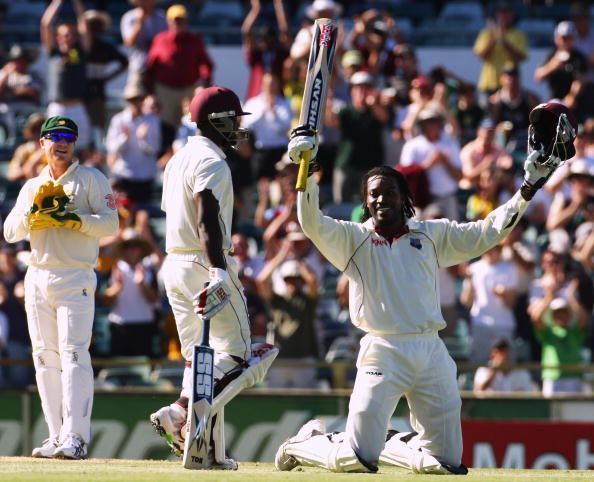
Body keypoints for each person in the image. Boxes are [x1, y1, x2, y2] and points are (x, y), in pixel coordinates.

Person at [274, 100, 577, 474]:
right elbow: (311, 223)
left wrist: (527, 189)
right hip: (382, 350)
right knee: (356, 457)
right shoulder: (352, 240)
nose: (381, 199)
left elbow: (487, 233)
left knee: (444, 462)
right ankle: (307, 442)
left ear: (405, 197)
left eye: (389, 192)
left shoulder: (431, 235)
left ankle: (391, 442)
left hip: (432, 351)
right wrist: (307, 169)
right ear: (366, 204)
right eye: (374, 195)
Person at [149, 86, 278, 468]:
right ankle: (182, 413)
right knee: (239, 358)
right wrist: (219, 268)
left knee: (199, 360)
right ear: (218, 121)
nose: (238, 126)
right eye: (234, 119)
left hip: (174, 264)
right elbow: (207, 220)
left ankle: (211, 451)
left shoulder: (177, 159)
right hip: (204, 264)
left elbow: (175, 215)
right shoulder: (213, 163)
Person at [2, 115, 119, 459]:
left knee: (73, 355)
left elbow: (110, 224)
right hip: (38, 276)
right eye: (55, 136)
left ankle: (76, 437)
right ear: (42, 143)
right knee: (44, 359)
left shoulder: (91, 179)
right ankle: (55, 435)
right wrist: (33, 214)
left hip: (75, 276)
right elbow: (10, 232)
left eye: (69, 136)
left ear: (75, 142)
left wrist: (74, 219)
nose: (62, 142)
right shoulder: (33, 186)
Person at [145, 4, 214, 128]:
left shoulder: (194, 39)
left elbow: (206, 63)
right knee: (166, 127)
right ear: (169, 21)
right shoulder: (160, 39)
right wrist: (151, 92)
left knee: (189, 124)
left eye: (181, 20)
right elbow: (151, 67)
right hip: (166, 91)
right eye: (175, 20)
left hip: (188, 89)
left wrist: (204, 84)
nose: (178, 23)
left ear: (186, 21)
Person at [473, 1, 527, 96]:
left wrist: (504, 43)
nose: (504, 17)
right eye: (501, 13)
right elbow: (481, 56)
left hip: (510, 85)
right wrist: (493, 40)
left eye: (507, 13)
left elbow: (520, 58)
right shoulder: (486, 33)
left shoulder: (519, 35)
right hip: (489, 84)